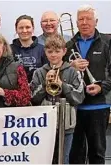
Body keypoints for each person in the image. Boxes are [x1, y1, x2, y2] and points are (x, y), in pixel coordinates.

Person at [64, 5, 111, 164]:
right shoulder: (69, 45)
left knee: (97, 154)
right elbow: (59, 70)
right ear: (76, 23)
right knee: (75, 154)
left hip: (98, 106)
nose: (84, 22)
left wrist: (101, 87)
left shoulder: (107, 41)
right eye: (81, 19)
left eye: (88, 19)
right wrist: (70, 66)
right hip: (74, 107)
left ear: (96, 21)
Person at [30, 34, 85, 164]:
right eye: (50, 52)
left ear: (64, 51)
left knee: (63, 159)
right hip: (44, 124)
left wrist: (62, 85)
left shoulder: (72, 72)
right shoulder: (39, 72)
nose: (53, 55)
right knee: (46, 160)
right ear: (45, 52)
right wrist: (44, 84)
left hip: (66, 124)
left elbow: (79, 97)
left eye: (57, 51)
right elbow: (33, 99)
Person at [11, 15, 47, 83]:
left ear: (33, 28)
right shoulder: (9, 50)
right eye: (21, 28)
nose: (24, 31)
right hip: (16, 90)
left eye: (28, 27)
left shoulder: (43, 49)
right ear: (16, 29)